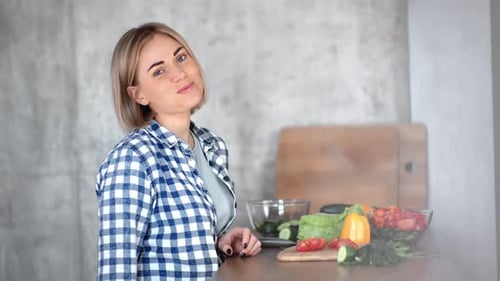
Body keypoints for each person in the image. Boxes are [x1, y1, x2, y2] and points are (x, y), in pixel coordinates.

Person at [95, 22, 261, 280]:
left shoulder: (212, 145)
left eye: (181, 57)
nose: (180, 73)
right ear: (138, 95)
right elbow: (116, 271)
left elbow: (183, 243)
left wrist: (222, 241)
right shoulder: (133, 159)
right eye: (159, 71)